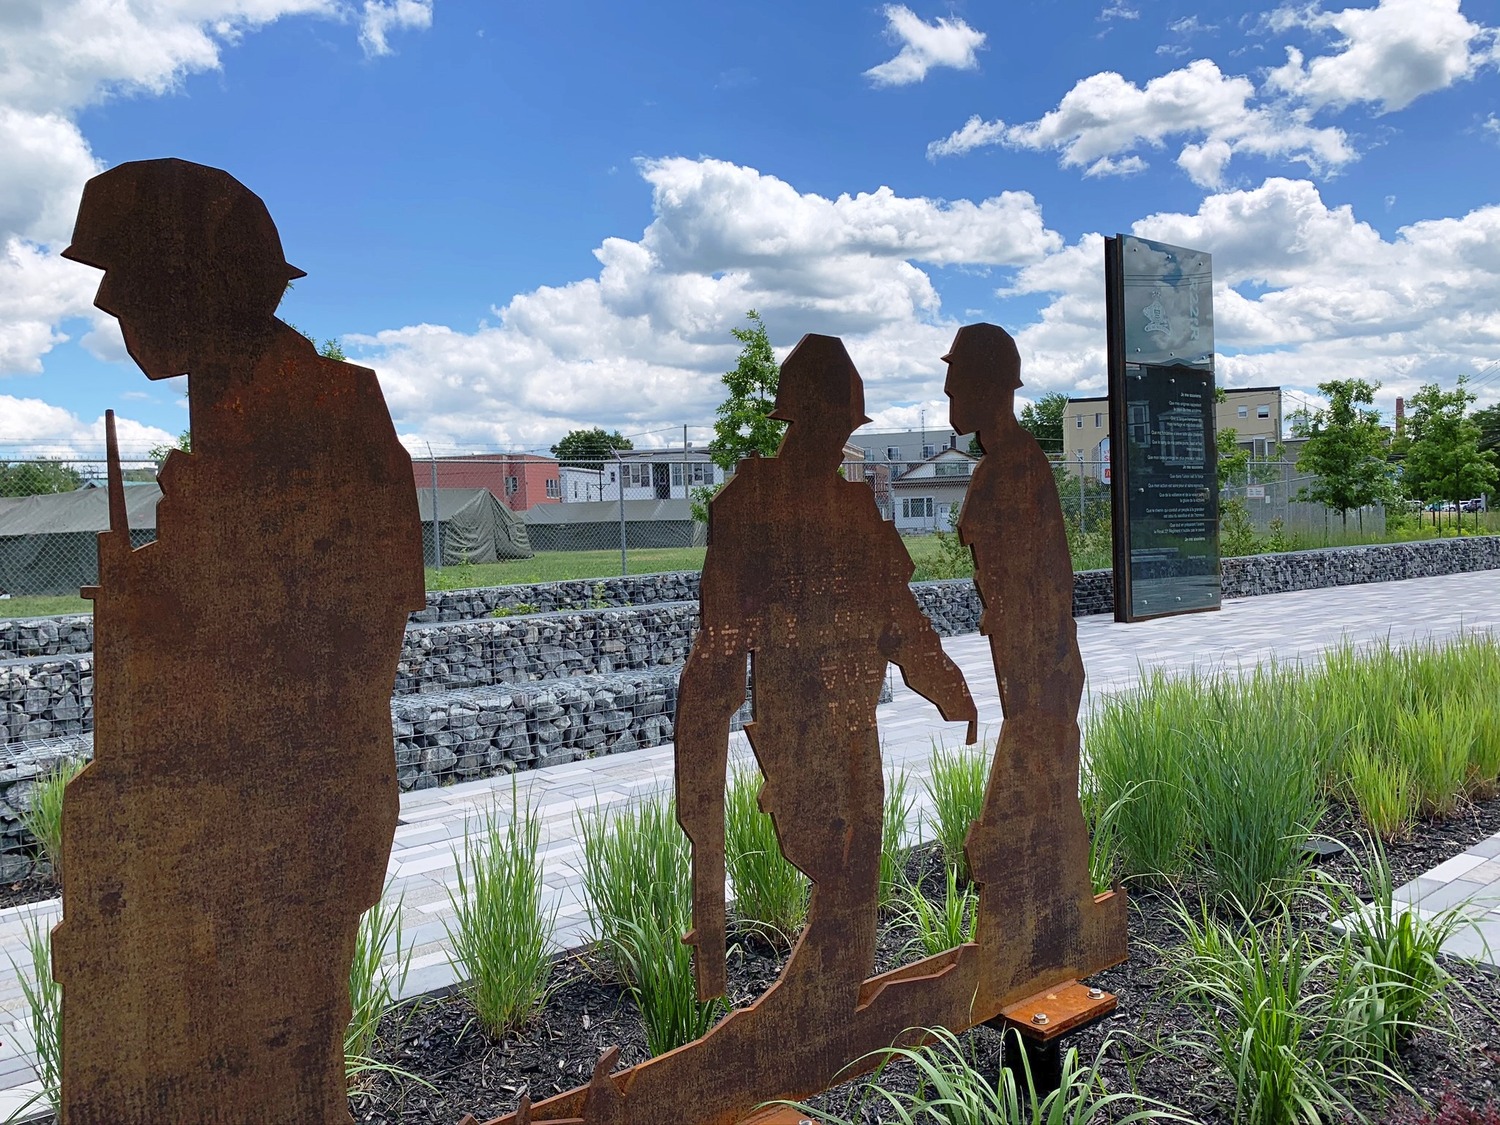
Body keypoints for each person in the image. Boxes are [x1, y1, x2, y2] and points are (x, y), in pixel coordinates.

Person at [53, 158, 425, 1124]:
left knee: (276, 1068)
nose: (109, 300)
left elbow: (354, 621)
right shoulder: (230, 410)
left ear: (199, 281)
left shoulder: (321, 408)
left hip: (280, 812)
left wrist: (178, 597)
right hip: (210, 815)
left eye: (129, 275)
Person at [943, 323, 1126, 1014]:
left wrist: (992, 822)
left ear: (987, 383)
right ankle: (1032, 950)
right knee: (1028, 834)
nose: (947, 389)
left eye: (957, 377)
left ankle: (1032, 957)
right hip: (1038, 685)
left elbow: (1040, 594)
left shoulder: (1011, 470)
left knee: (1015, 840)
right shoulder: (1014, 466)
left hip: (1040, 693)